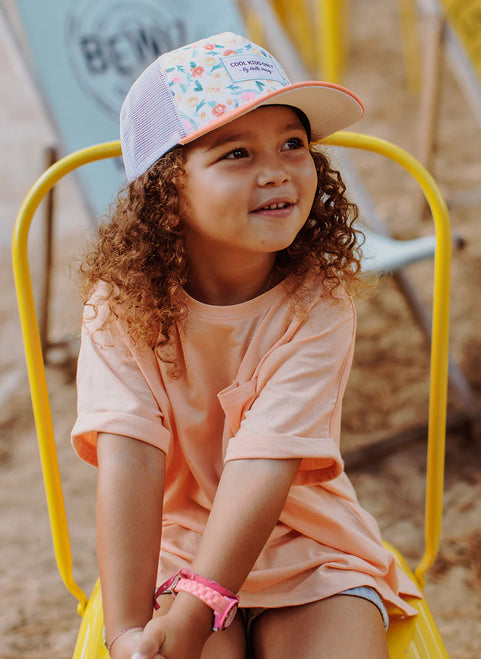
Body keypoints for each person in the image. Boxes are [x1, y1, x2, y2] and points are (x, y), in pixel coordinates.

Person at [71, 31, 421, 659]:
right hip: (176, 549)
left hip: (310, 546)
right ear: (167, 190)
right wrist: (128, 629)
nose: (277, 170)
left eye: (293, 143)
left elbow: (265, 463)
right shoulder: (120, 308)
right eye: (235, 153)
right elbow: (131, 460)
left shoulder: (316, 300)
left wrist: (202, 606)